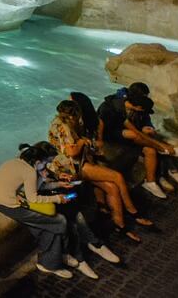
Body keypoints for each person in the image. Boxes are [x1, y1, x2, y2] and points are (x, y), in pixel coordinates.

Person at [48, 99, 148, 244]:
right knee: (117, 177)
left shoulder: (62, 122)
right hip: (71, 167)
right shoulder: (64, 127)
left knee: (112, 187)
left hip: (77, 164)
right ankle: (134, 212)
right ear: (74, 114)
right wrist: (82, 142)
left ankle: (120, 225)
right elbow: (71, 151)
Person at [0, 142, 75, 279]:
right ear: (38, 161)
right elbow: (34, 198)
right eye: (47, 162)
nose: (47, 165)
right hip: (10, 205)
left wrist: (58, 184)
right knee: (59, 222)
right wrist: (58, 198)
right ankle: (50, 263)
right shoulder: (29, 171)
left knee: (47, 228)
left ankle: (56, 256)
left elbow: (36, 187)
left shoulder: (16, 162)